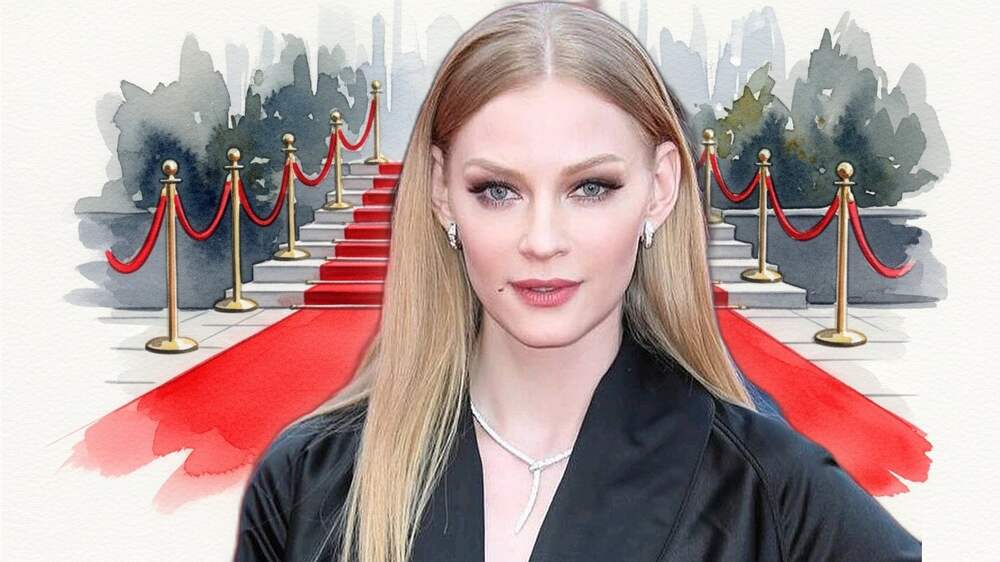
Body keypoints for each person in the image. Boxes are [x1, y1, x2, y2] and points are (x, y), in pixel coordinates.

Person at [233, 2, 922, 561]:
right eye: (497, 190)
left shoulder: (772, 491)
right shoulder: (305, 484)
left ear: (659, 188)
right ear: (442, 192)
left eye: (590, 187)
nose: (542, 241)